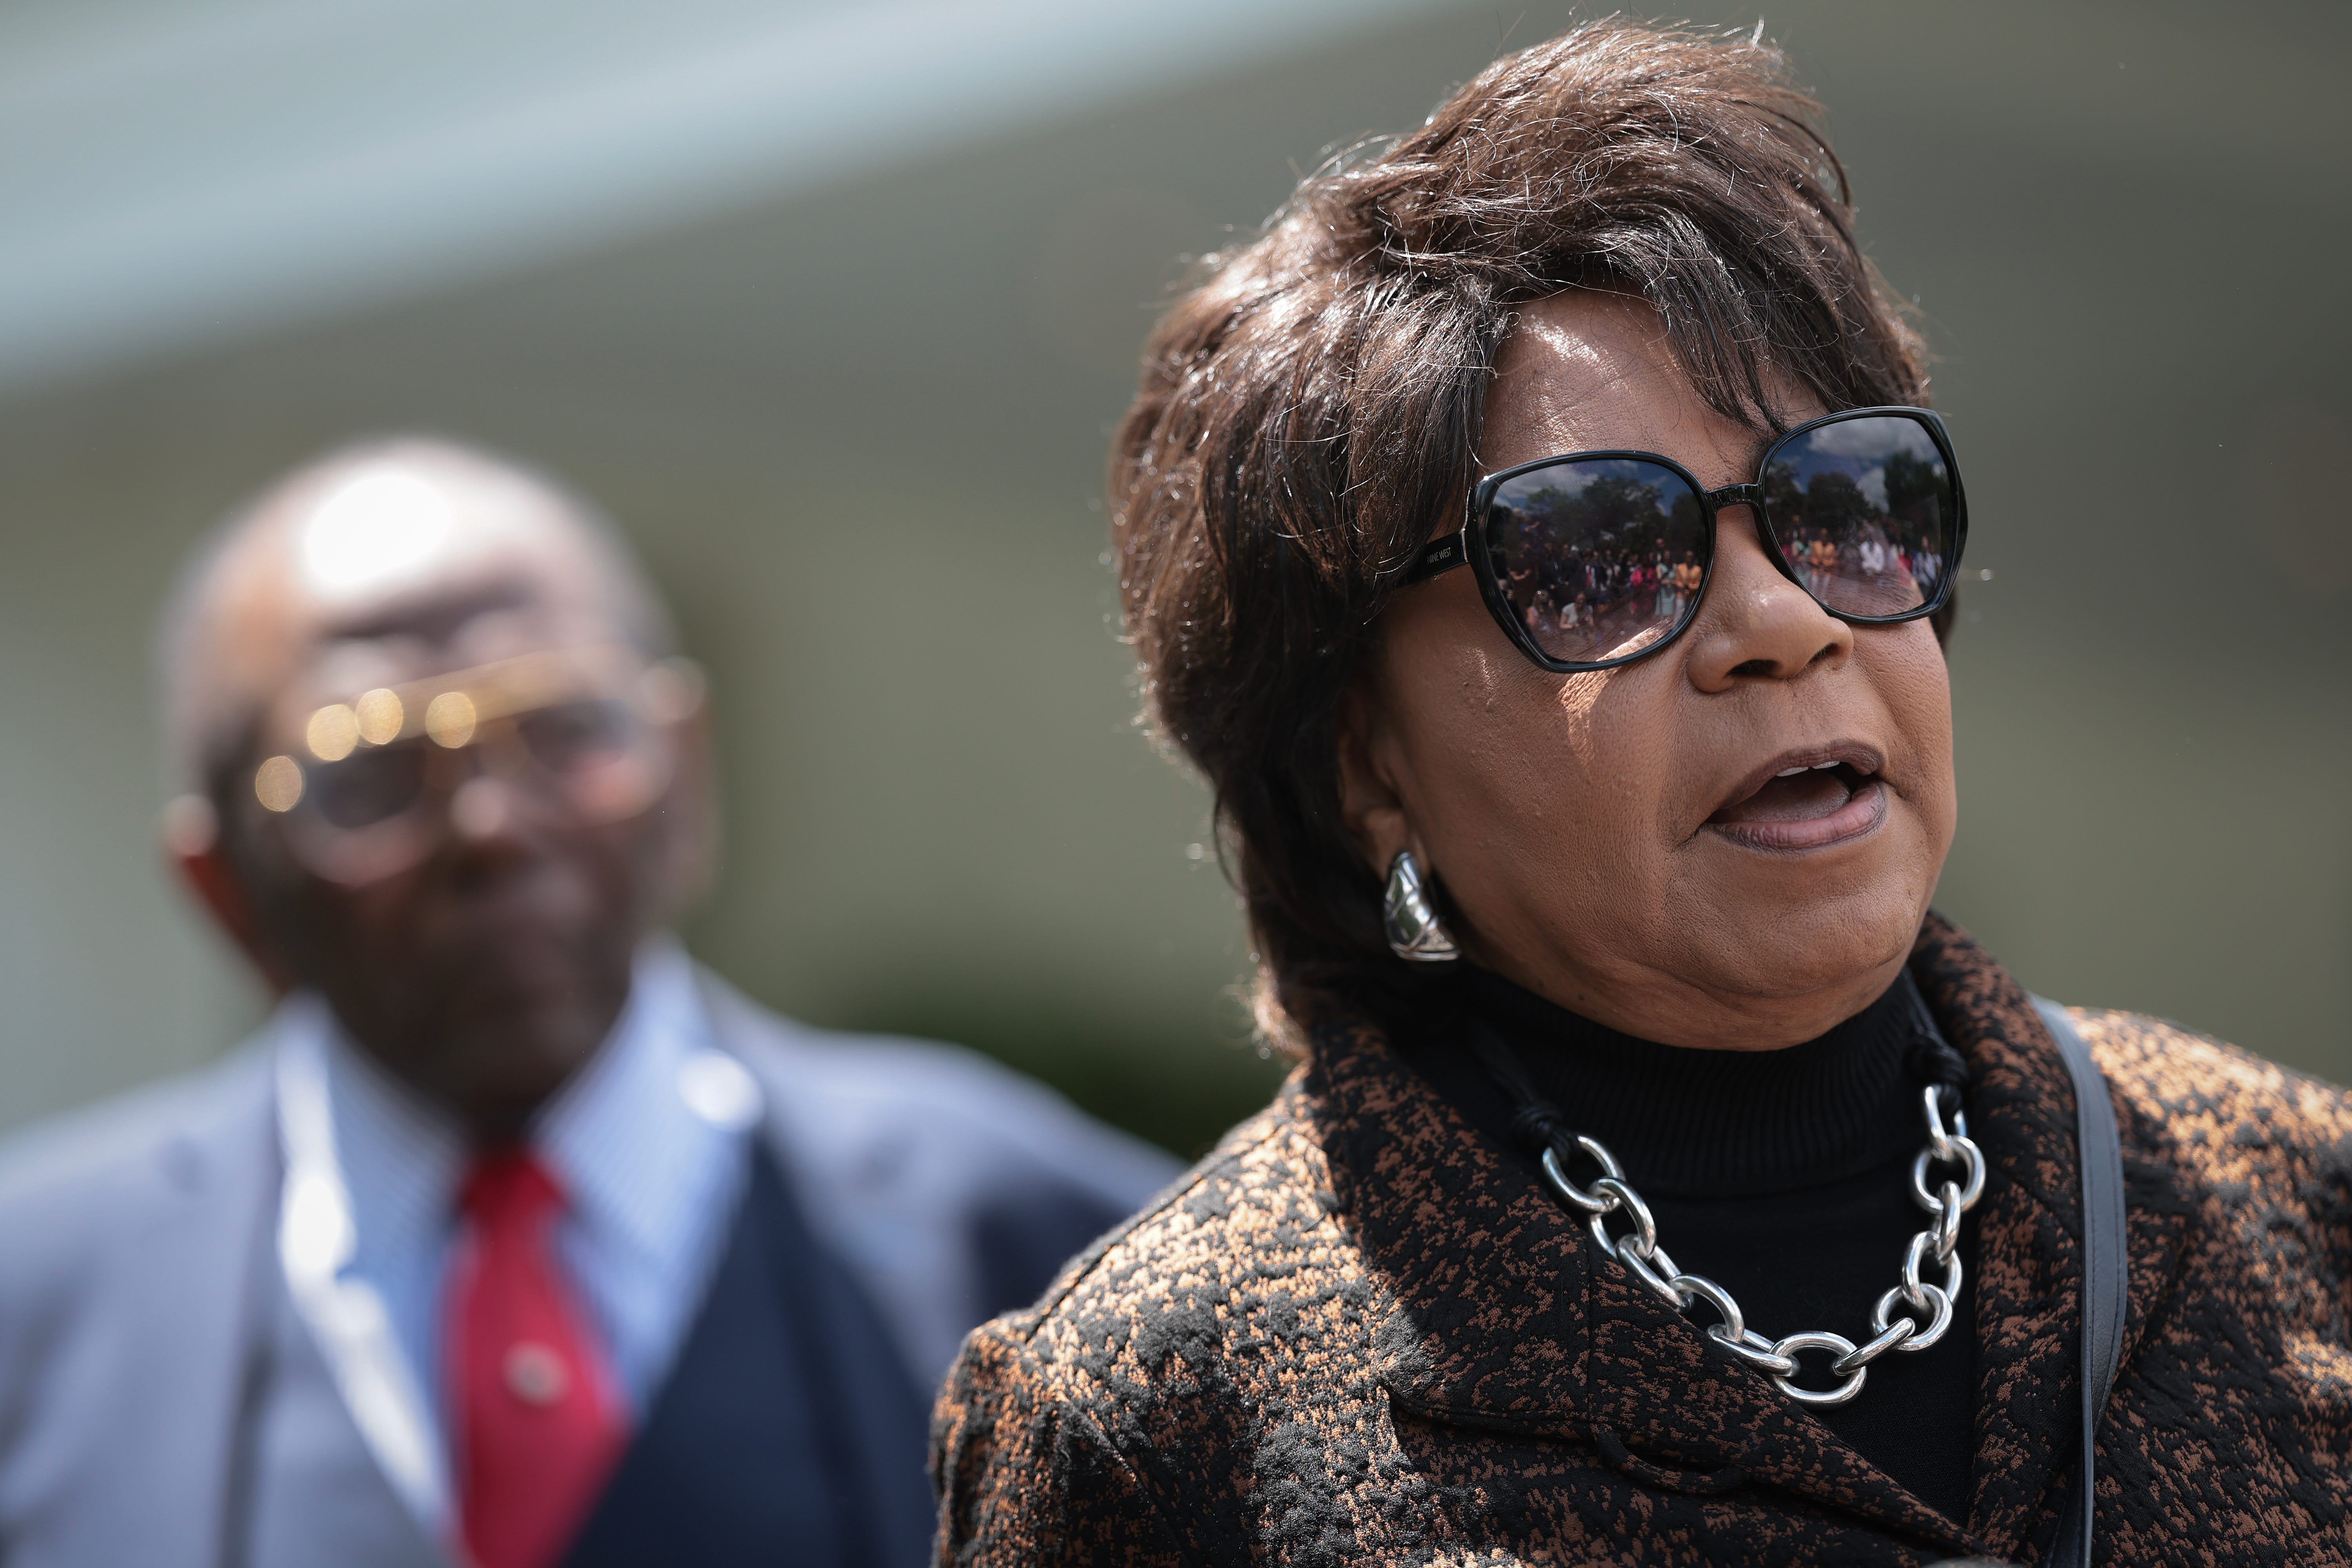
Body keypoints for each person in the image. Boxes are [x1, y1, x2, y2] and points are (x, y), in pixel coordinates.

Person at [932, 23, 2352, 1566]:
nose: (1786, 621)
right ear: (1363, 758)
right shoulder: (1157, 1408)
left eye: (1844, 503)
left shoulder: (2294, 1194)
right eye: (1598, 556)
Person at [0, 437, 1178, 1568]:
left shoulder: (1038, 1247)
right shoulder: (35, 1313)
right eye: (369, 774)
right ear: (227, 896)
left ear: (685, 778)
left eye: (563, 729)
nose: (491, 825)